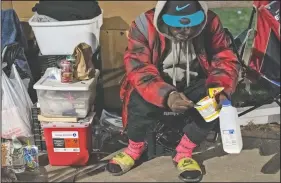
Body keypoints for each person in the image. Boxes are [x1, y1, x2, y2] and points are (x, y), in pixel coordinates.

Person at [106, 1, 240, 182]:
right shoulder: (144, 24)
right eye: (177, 26)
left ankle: (184, 153)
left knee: (214, 103)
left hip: (195, 82)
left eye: (192, 25)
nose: (185, 31)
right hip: (156, 83)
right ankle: (134, 149)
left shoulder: (210, 22)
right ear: (162, 17)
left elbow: (224, 57)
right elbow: (139, 68)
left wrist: (220, 88)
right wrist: (167, 95)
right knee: (137, 100)